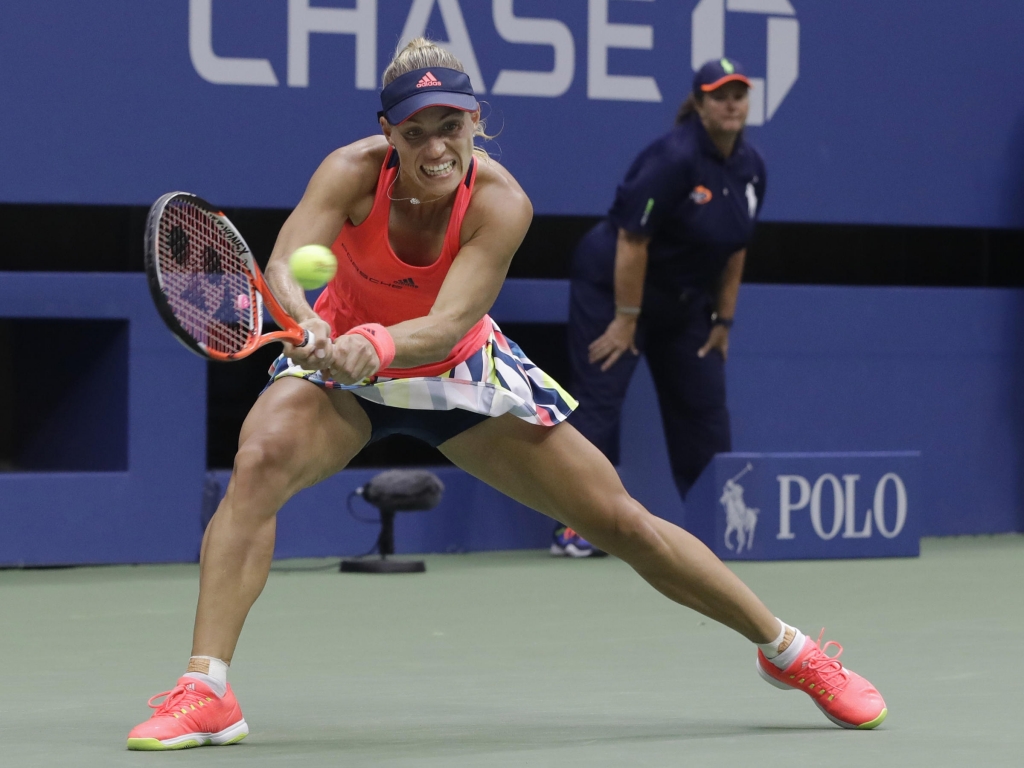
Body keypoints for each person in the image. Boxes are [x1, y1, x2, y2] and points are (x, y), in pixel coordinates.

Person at [126, 41, 886, 750]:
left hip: (458, 375)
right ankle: (208, 688)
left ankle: (791, 651)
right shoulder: (349, 172)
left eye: (451, 126)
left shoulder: (501, 202)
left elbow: (450, 319)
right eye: (416, 130)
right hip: (341, 368)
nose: (436, 149)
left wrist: (378, 345)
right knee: (257, 462)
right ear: (387, 133)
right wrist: (307, 319)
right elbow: (286, 262)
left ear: (475, 121)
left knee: (623, 522)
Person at [559, 58, 764, 558]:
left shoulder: (751, 168)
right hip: (613, 290)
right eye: (720, 95)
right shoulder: (672, 158)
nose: (731, 103)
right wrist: (625, 321)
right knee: (600, 402)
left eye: (739, 93)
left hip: (685, 302)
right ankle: (576, 527)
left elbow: (736, 248)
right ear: (699, 103)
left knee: (705, 410)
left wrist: (724, 320)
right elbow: (633, 240)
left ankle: (716, 523)